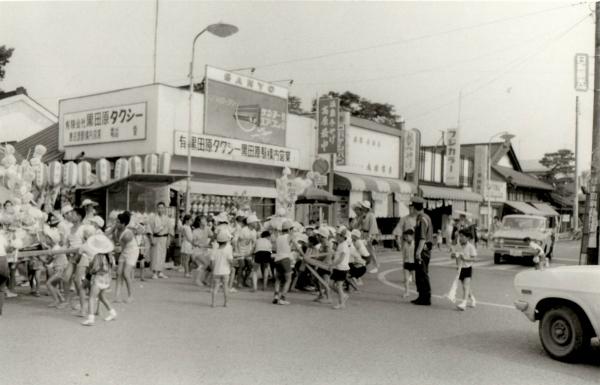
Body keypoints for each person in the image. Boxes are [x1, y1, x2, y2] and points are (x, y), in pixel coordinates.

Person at [60, 206, 95, 316]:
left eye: (73, 214)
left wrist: (81, 252)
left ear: (79, 217)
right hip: (72, 256)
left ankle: (83, 308)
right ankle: (70, 300)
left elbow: (89, 243)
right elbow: (66, 244)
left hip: (83, 255)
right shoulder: (68, 228)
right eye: (70, 214)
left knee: (77, 280)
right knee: (66, 277)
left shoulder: (85, 229)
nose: (70, 216)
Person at [81, 234, 117, 326]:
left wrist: (88, 274)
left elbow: (94, 269)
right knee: (102, 296)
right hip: (106, 279)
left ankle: (91, 318)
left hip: (98, 279)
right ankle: (112, 312)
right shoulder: (110, 257)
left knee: (92, 298)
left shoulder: (98, 256)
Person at [411, 198, 433, 306]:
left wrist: (418, 252)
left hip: (422, 249)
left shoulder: (421, 219)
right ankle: (421, 296)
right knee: (420, 273)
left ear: (414, 208)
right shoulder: (426, 217)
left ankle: (426, 297)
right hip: (426, 248)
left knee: (422, 273)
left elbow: (422, 238)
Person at [114, 211, 138, 303]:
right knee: (118, 273)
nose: (116, 223)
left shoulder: (128, 234)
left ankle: (130, 296)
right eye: (116, 221)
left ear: (123, 224)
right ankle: (117, 296)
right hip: (124, 251)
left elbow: (120, 248)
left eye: (118, 222)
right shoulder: (116, 229)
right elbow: (113, 239)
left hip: (132, 252)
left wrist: (114, 249)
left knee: (126, 273)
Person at [452, 229, 477, 310]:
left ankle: (464, 303)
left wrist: (465, 258)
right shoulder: (458, 246)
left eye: (462, 236)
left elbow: (474, 258)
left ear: (467, 237)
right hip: (460, 268)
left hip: (468, 268)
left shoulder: (470, 247)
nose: (461, 238)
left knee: (465, 286)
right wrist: (453, 255)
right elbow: (454, 255)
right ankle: (472, 299)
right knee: (465, 286)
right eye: (460, 236)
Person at [352, 201, 380, 273]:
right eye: (362, 207)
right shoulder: (362, 215)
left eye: (364, 207)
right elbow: (357, 225)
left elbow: (372, 226)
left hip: (369, 234)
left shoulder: (371, 215)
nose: (362, 208)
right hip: (362, 234)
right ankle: (363, 265)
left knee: (371, 251)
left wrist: (370, 237)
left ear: (367, 208)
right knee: (362, 250)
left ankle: (376, 265)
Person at [272, 220, 294, 305]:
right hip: (285, 259)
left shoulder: (278, 237)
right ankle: (282, 298)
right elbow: (296, 246)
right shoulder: (289, 236)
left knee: (278, 279)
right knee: (288, 280)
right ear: (289, 229)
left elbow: (275, 248)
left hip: (277, 259)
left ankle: (276, 296)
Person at [209, 229, 234, 308]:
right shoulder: (228, 250)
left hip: (216, 271)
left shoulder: (215, 250)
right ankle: (226, 303)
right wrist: (232, 265)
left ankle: (213, 303)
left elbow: (212, 261)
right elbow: (230, 260)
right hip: (225, 271)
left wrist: (212, 269)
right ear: (226, 241)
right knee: (225, 287)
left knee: (215, 287)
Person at [148, 202, 173, 279]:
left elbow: (170, 231)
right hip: (156, 238)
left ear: (164, 209)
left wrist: (169, 240)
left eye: (162, 208)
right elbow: (149, 230)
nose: (160, 209)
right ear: (157, 208)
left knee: (162, 255)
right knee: (155, 256)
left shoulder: (167, 219)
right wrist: (151, 239)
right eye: (159, 208)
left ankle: (160, 272)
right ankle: (154, 272)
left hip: (164, 238)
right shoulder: (153, 218)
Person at [330, 229, 350, 309]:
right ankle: (343, 295)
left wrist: (332, 264)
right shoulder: (340, 244)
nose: (336, 237)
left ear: (342, 236)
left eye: (337, 235)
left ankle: (341, 303)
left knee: (339, 285)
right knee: (330, 284)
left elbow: (341, 259)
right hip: (337, 267)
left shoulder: (344, 245)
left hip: (342, 268)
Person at [191, 215, 213, 286]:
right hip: (197, 251)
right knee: (205, 263)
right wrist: (199, 245)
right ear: (199, 221)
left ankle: (205, 280)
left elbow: (213, 237)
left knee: (211, 265)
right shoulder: (195, 231)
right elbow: (193, 243)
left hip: (205, 251)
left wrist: (209, 244)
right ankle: (197, 280)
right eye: (203, 219)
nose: (205, 220)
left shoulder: (207, 229)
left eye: (205, 219)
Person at [400, 229, 416, 298]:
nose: (406, 238)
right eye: (405, 236)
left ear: (412, 236)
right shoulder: (405, 244)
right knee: (406, 279)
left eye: (407, 236)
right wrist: (403, 263)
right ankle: (407, 292)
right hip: (407, 263)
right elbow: (403, 254)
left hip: (413, 263)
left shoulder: (415, 243)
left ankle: (420, 292)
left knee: (414, 280)